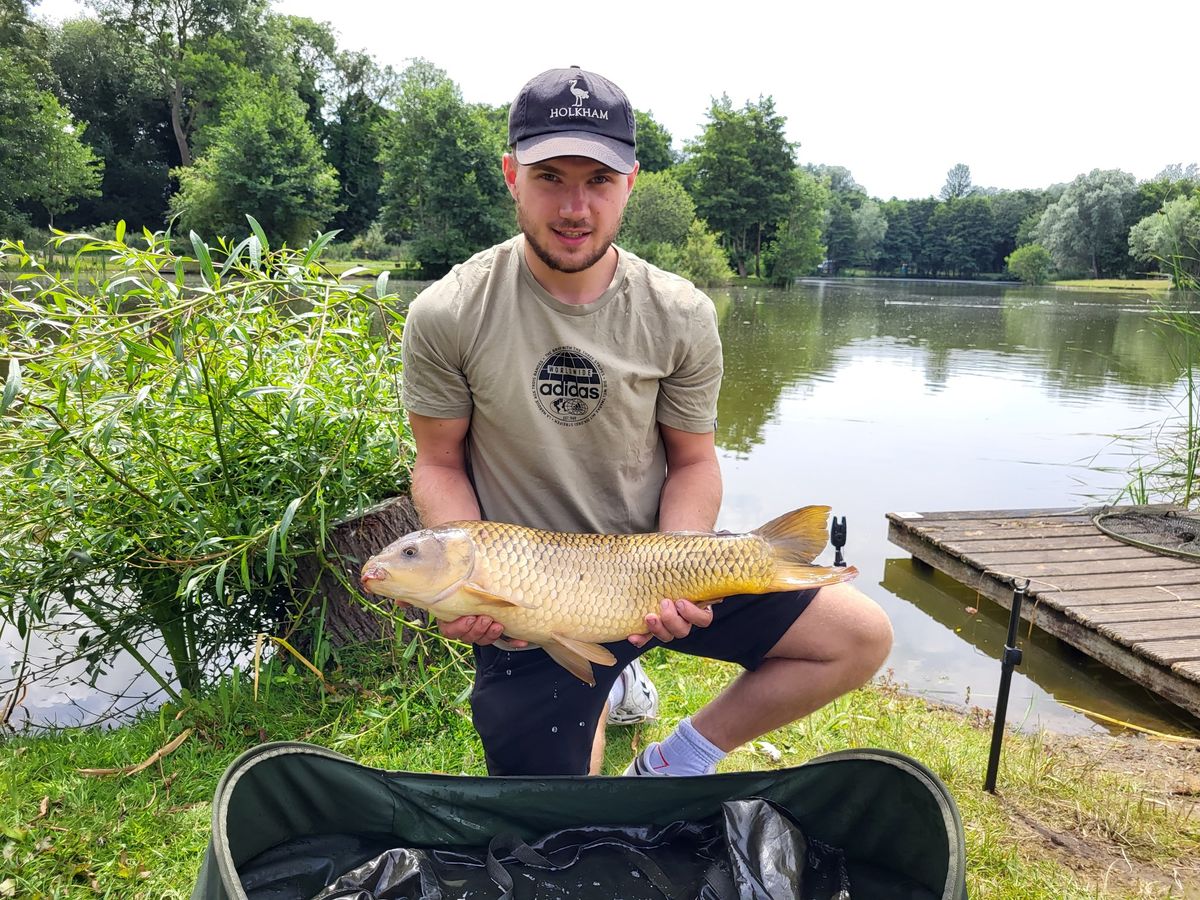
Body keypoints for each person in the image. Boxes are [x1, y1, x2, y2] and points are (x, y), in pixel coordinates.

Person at [400, 65, 893, 777]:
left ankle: (674, 758)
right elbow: (439, 463)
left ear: (631, 180)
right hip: (529, 598)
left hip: (657, 561)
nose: (575, 207)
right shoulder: (448, 312)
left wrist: (680, 566)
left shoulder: (680, 312)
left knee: (859, 636)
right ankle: (606, 678)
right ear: (511, 175)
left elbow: (693, 461)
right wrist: (466, 589)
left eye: (598, 181)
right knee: (556, 824)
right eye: (550, 178)